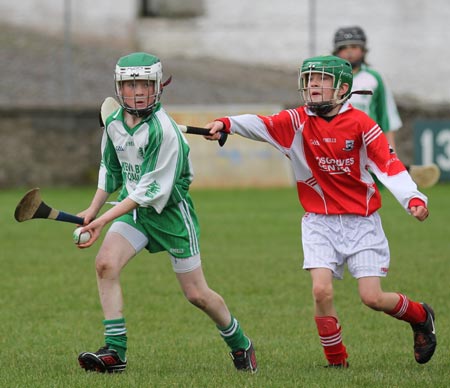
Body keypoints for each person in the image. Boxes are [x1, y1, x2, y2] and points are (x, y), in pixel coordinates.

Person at [204, 55, 436, 367]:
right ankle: (336, 361)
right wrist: (227, 124)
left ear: (342, 88)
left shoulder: (362, 125)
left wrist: (413, 199)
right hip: (318, 223)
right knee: (321, 291)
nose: (312, 84)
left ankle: (421, 316)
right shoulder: (296, 122)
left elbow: (389, 165)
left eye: (321, 79)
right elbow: (261, 123)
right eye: (310, 78)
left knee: (372, 298)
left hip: (362, 222)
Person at [75, 52, 257, 374]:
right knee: (105, 264)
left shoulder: (165, 132)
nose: (138, 92)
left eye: (145, 84)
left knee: (197, 294)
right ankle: (115, 353)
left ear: (158, 87)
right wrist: (92, 209)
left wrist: (103, 220)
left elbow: (149, 191)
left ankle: (240, 343)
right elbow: (111, 170)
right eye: (131, 86)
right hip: (133, 212)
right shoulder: (114, 124)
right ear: (119, 88)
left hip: (170, 215)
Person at [333, 26, 440, 189]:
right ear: (336, 51)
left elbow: (387, 119)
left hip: (367, 144)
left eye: (354, 47)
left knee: (367, 199)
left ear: (363, 50)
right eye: (344, 48)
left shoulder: (374, 78)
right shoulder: (329, 78)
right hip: (335, 146)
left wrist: (391, 156)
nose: (349, 53)